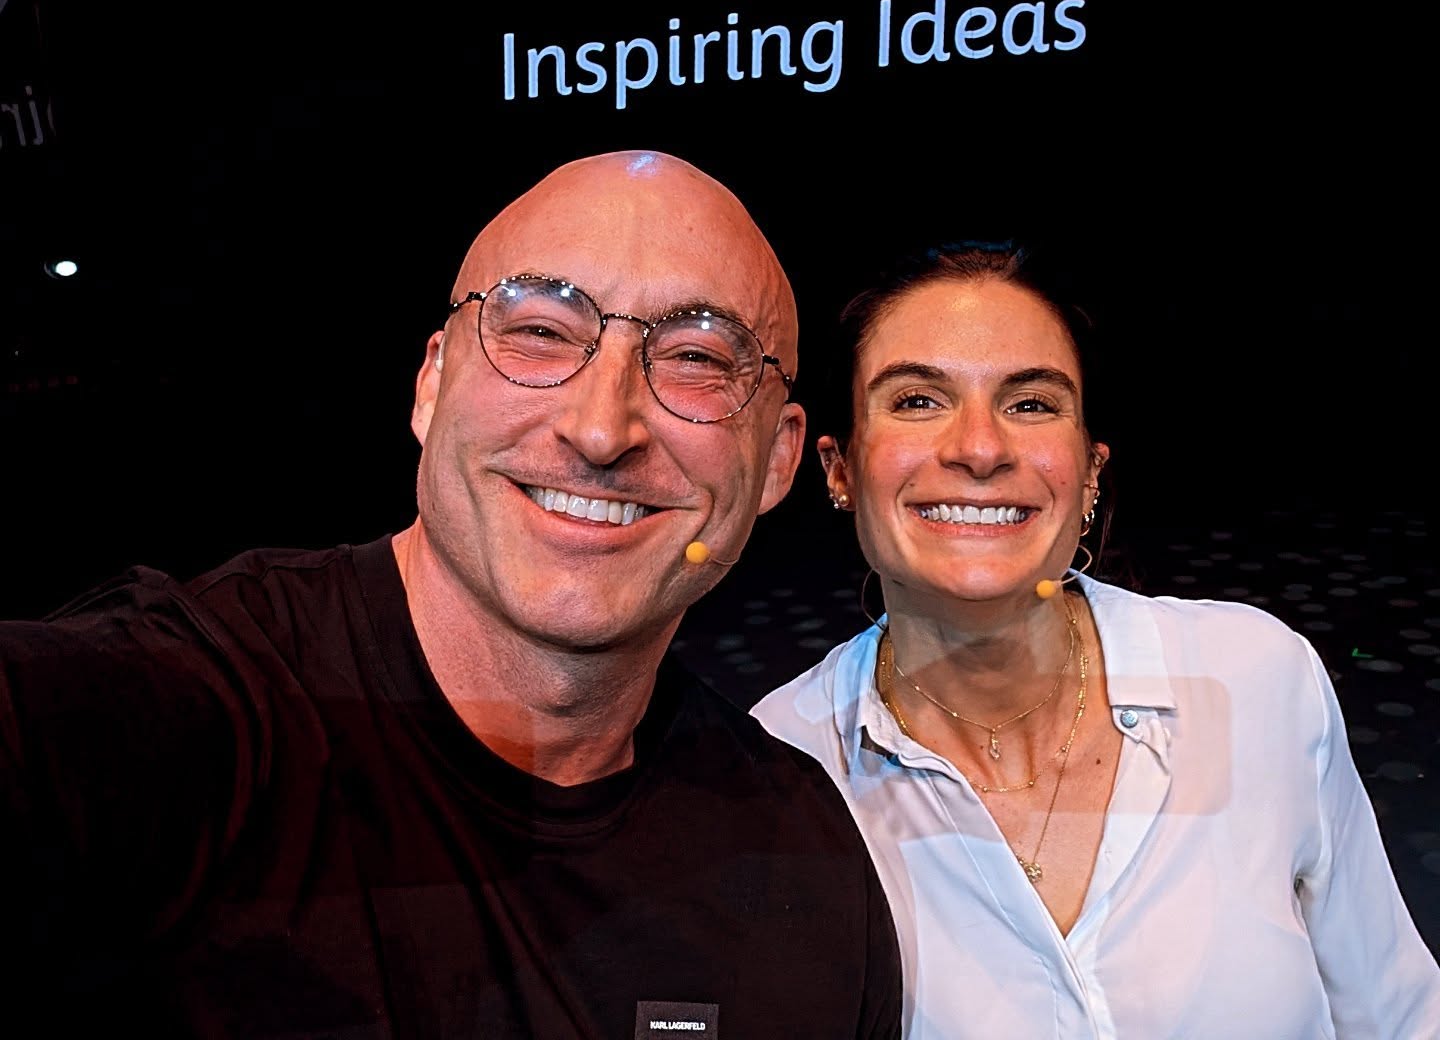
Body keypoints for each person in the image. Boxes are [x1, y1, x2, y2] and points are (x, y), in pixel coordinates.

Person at [0, 150, 902, 1038]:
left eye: (697, 357)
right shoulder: (191, 716)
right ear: (433, 384)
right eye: (539, 332)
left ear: (778, 457)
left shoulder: (805, 866)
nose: (600, 429)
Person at [753, 241, 1440, 1038]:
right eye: (916, 400)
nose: (979, 447)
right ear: (839, 469)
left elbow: (1398, 1013)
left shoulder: (1255, 677)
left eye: (1030, 404)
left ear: (1088, 473)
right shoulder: (779, 766)